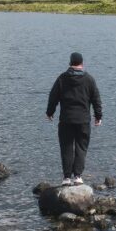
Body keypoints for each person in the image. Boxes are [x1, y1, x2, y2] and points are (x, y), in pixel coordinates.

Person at [46, 52, 102, 184]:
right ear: (82, 63)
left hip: (66, 120)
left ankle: (66, 178)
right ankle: (77, 176)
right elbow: (96, 99)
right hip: (83, 120)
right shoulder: (89, 79)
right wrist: (98, 116)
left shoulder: (62, 78)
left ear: (70, 63)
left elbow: (53, 97)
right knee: (81, 148)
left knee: (66, 147)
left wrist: (50, 112)